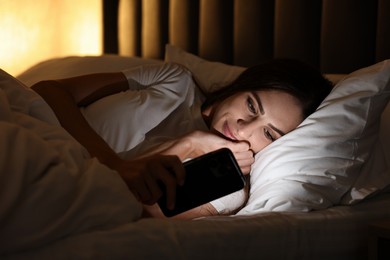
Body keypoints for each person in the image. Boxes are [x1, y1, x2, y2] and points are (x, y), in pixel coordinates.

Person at [32, 59, 333, 219]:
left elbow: (129, 211)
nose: (244, 129)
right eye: (251, 105)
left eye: (269, 133)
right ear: (240, 88)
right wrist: (112, 162)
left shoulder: (225, 188)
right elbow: (49, 91)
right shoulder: (174, 80)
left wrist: (190, 145)